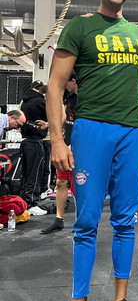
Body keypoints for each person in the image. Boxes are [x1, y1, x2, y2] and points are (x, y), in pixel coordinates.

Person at [45, 0, 138, 301]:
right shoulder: (80, 26)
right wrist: (58, 140)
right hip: (91, 130)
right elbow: (54, 86)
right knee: (86, 222)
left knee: (126, 221)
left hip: (132, 133)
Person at [41, 74, 78, 235]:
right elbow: (63, 117)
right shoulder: (69, 97)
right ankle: (58, 219)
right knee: (61, 183)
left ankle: (80, 220)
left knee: (79, 184)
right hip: (67, 144)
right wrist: (50, 124)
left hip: (83, 145)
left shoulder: (87, 97)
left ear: (73, 81)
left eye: (66, 83)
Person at [19, 80, 49, 215]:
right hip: (36, 140)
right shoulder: (40, 102)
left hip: (25, 141)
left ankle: (24, 202)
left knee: (26, 174)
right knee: (35, 174)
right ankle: (31, 203)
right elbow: (55, 116)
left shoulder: (24, 101)